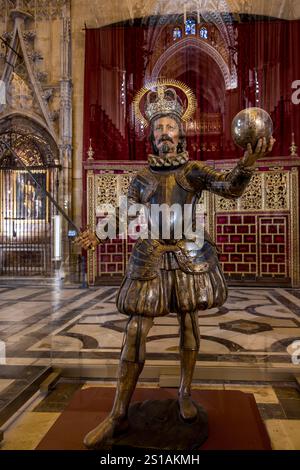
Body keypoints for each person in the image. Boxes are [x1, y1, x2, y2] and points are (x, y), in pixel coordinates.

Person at [75, 82, 275, 449]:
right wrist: (97, 235)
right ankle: (117, 413)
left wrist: (247, 163)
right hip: (150, 254)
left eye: (170, 126)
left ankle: (184, 392)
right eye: (158, 128)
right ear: (150, 136)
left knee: (188, 323)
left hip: (188, 254)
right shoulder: (143, 178)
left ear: (181, 131)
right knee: (135, 331)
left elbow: (229, 187)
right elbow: (123, 214)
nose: (164, 133)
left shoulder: (193, 171)